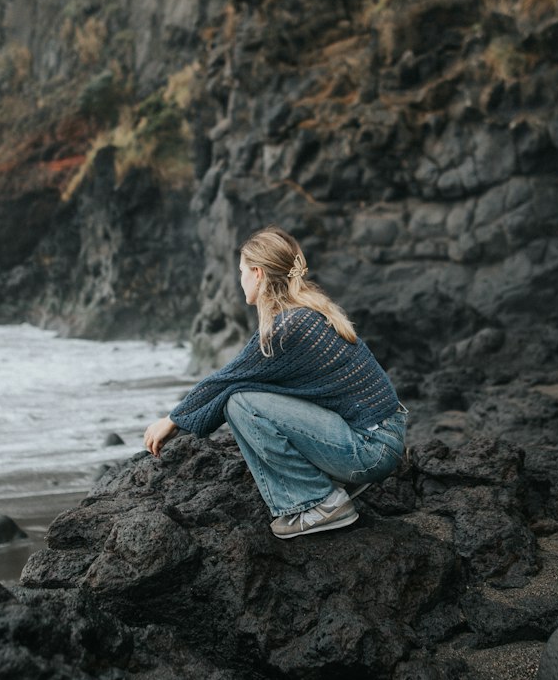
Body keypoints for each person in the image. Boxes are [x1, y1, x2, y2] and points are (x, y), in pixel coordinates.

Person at [143, 226, 407, 539]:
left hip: (371, 450)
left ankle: (318, 504)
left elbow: (226, 381)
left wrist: (171, 421)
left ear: (257, 273)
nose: (239, 278)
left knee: (239, 401)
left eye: (241, 270)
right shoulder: (307, 311)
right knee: (245, 393)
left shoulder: (287, 328)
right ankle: (334, 482)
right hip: (383, 438)